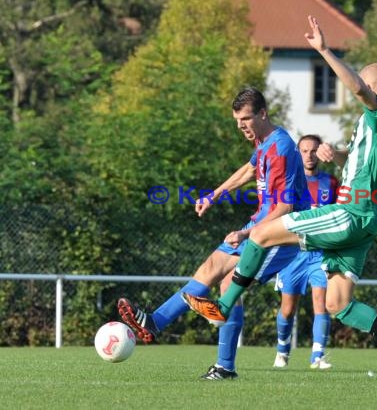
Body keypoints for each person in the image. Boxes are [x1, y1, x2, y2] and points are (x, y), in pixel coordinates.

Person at [183, 15, 377, 388]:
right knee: (338, 304)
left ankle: (223, 305)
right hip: (369, 216)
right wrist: (342, 156)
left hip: (352, 211)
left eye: (361, 84)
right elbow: (371, 166)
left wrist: (325, 50)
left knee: (261, 235)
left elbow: (361, 88)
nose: (354, 90)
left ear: (374, 87)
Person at [117, 87, 309, 380]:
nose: (241, 126)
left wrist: (246, 235)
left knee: (229, 282)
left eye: (245, 119)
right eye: (237, 120)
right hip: (261, 225)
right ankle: (158, 326)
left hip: (282, 233)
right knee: (211, 270)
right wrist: (214, 195)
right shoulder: (263, 141)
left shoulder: (281, 148)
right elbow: (249, 169)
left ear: (262, 113)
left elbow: (285, 206)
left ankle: (217, 359)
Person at [273, 134, 338, 370]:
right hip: (292, 253)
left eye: (313, 150)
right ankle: (282, 350)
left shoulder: (330, 182)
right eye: (304, 151)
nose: (309, 155)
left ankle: (317, 356)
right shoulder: (288, 181)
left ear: (320, 152)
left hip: (319, 253)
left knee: (322, 303)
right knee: (288, 309)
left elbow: (339, 213)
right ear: (297, 153)